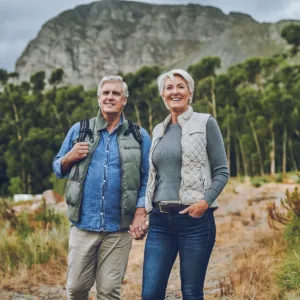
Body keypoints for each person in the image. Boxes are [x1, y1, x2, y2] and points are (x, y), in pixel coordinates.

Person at [53, 75, 151, 300]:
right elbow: (58, 167)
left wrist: (139, 212)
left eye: (116, 93)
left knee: (108, 291)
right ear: (98, 99)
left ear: (124, 100)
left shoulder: (139, 135)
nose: (110, 97)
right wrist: (69, 156)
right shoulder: (79, 130)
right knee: (76, 289)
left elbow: (149, 178)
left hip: (118, 229)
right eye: (106, 93)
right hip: (83, 225)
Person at [142, 69, 229, 300]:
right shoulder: (159, 130)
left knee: (191, 293)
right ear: (163, 95)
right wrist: (145, 209)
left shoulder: (206, 122)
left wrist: (204, 202)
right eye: (169, 88)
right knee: (150, 294)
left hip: (195, 221)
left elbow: (222, 171)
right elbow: (153, 176)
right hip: (160, 222)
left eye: (180, 86)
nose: (175, 92)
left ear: (190, 92)